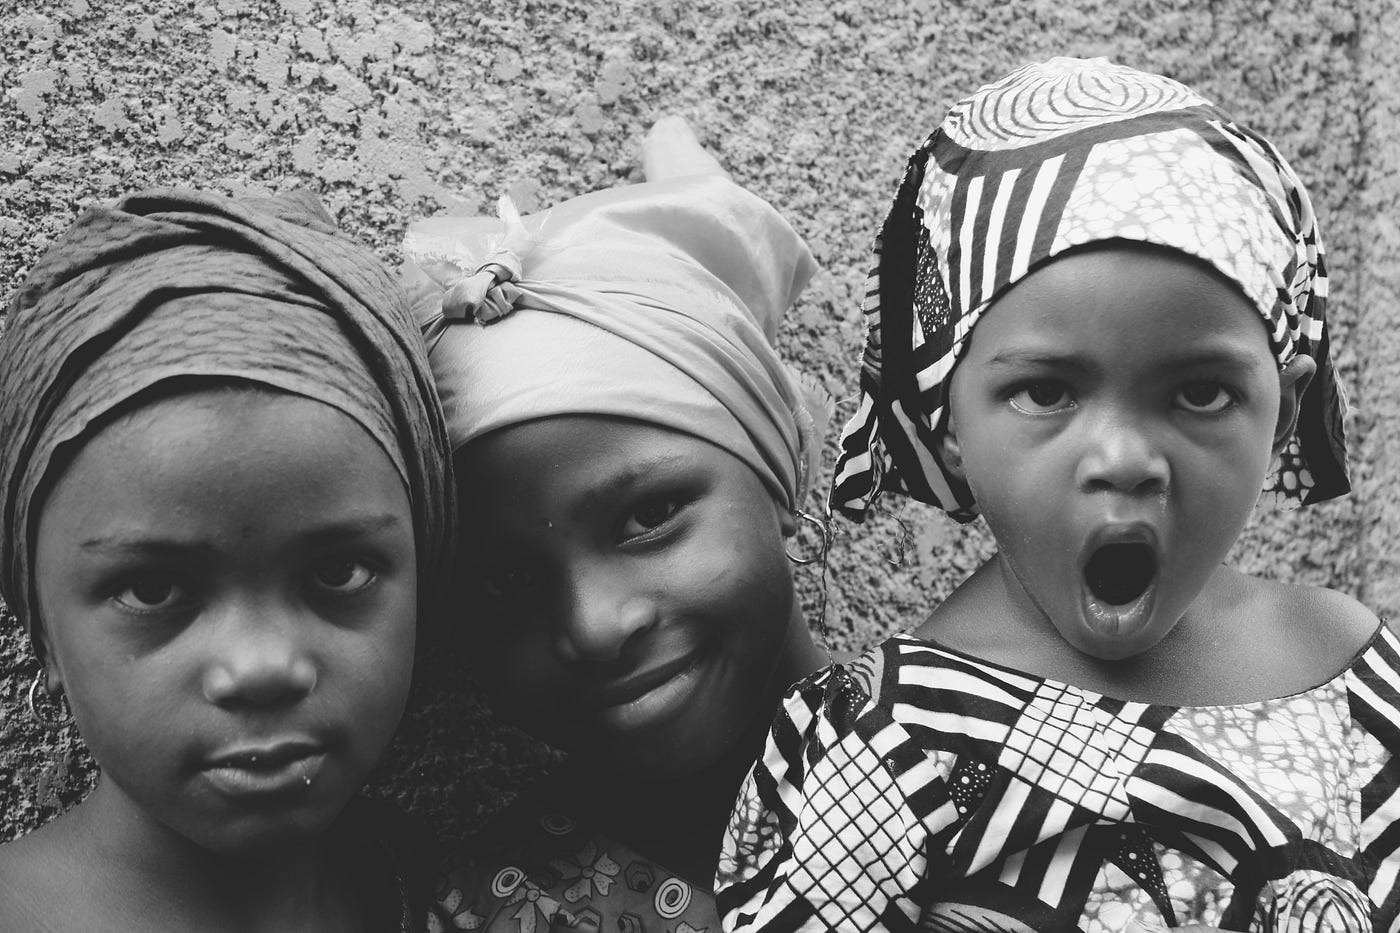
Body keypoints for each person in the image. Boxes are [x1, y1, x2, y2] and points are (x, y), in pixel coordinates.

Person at [715, 58, 1394, 932]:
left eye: (1200, 392)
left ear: (1285, 408)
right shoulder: (889, 745)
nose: (1123, 458)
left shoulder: (1360, 677)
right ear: (946, 413)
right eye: (1046, 392)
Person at [403, 117, 832, 931]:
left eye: (648, 516)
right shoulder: (499, 912)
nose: (597, 625)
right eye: (507, 581)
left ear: (782, 470)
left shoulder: (1017, 762)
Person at [0, 188, 455, 931]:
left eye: (338, 574)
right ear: (43, 630)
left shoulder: (453, 891)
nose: (261, 666)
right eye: (152, 588)